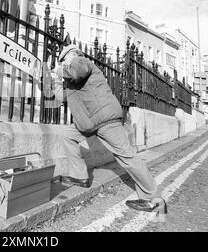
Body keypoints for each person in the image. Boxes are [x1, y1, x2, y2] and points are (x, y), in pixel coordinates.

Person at [52, 44, 167, 215]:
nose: (63, 63)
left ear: (72, 54)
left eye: (64, 59)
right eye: (62, 62)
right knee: (66, 134)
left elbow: (77, 70)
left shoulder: (81, 61)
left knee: (127, 157)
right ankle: (80, 176)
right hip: (89, 122)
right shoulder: (71, 79)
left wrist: (60, 70)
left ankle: (155, 200)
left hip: (105, 120)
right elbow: (61, 98)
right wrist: (55, 79)